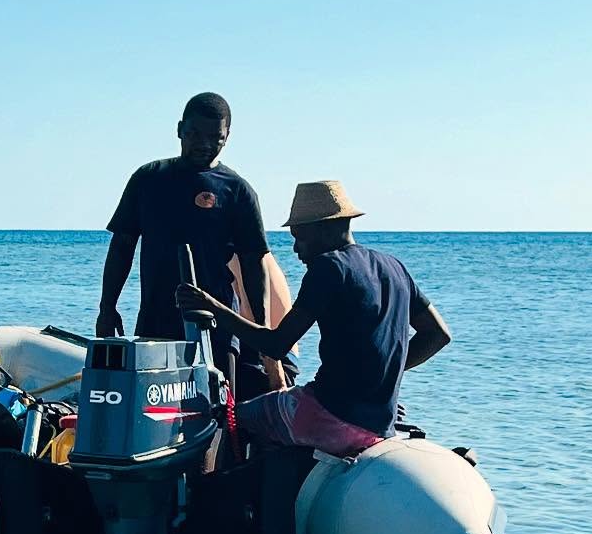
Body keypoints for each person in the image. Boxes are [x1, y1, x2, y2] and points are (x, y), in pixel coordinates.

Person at [178, 179, 452, 456]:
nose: (296, 249)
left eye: (299, 236)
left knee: (236, 417)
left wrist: (213, 306)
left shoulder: (329, 267)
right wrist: (383, 373)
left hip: (329, 416)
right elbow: (438, 335)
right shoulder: (393, 266)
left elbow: (276, 345)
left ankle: (263, 497)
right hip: (381, 422)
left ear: (325, 228)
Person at [97, 93, 271, 350]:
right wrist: (107, 307)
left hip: (217, 326)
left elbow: (253, 262)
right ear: (180, 130)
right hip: (155, 323)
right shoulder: (148, 179)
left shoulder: (237, 190)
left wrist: (262, 328)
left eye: (216, 138)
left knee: (218, 389)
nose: (204, 144)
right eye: (195, 134)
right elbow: (122, 246)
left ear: (227, 137)